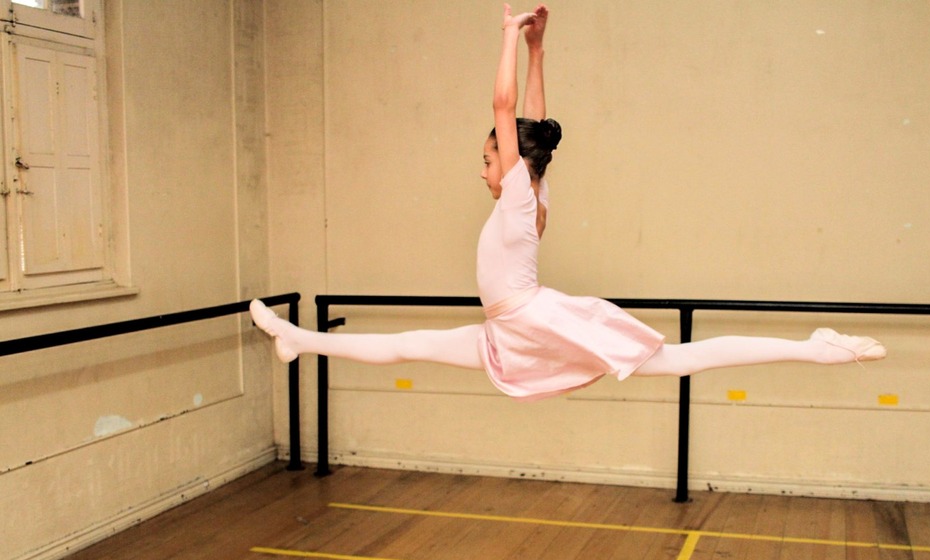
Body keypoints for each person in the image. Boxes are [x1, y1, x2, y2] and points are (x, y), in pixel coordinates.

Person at [250, 3, 885, 403]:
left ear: (510, 164)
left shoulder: (520, 196)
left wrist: (506, 34)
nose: (482, 170)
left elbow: (507, 112)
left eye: (487, 158)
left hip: (531, 321)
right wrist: (536, 50)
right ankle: (297, 339)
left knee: (681, 361)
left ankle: (814, 347)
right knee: (409, 343)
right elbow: (532, 121)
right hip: (511, 328)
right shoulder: (532, 188)